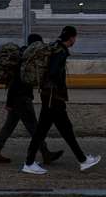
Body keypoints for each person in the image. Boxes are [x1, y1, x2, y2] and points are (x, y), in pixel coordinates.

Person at [22, 26, 101, 175]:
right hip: (54, 97)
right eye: (75, 38)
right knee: (49, 131)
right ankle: (29, 163)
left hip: (50, 96)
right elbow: (52, 72)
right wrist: (58, 84)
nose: (75, 40)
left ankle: (82, 159)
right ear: (71, 38)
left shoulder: (55, 47)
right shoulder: (61, 51)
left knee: (61, 130)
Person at [0, 33, 64, 165]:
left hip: (17, 98)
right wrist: (10, 101)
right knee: (34, 127)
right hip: (22, 98)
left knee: (9, 126)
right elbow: (16, 82)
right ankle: (45, 153)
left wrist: (10, 101)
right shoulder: (25, 58)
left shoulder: (24, 55)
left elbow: (13, 82)